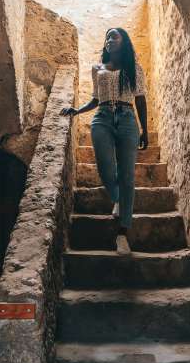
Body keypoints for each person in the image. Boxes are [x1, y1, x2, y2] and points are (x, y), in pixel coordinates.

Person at [61, 27, 149, 255]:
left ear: (124, 42)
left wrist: (145, 130)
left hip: (128, 118)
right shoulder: (97, 68)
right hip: (102, 118)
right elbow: (95, 99)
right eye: (107, 36)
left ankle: (122, 234)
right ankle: (118, 198)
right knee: (105, 168)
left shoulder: (134, 68)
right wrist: (77, 110)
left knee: (127, 175)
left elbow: (140, 99)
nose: (109, 39)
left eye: (114, 36)